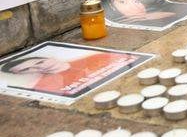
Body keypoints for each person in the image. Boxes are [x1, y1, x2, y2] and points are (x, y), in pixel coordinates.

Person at [1, 52, 135, 95]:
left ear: (48, 57)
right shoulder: (43, 86)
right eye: (27, 70)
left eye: (39, 62)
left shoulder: (94, 58)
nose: (40, 67)